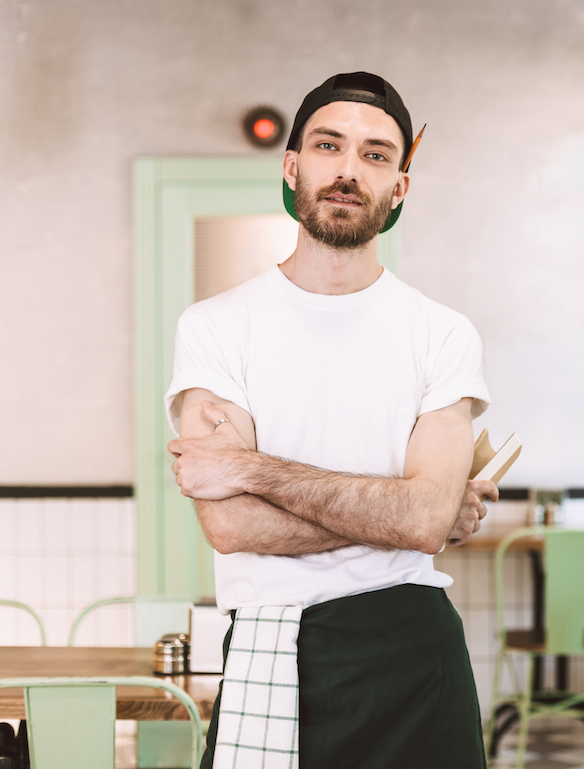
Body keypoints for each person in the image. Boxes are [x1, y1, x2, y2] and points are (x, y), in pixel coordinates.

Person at [165, 72, 495, 769]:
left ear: (399, 187)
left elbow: (425, 522)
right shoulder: (217, 327)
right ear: (293, 166)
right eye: (328, 145)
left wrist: (251, 470)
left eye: (376, 155)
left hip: (415, 653)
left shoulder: (443, 333)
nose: (349, 170)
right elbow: (231, 527)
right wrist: (401, 511)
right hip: (270, 646)